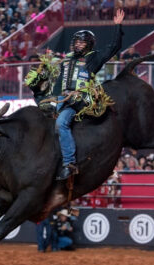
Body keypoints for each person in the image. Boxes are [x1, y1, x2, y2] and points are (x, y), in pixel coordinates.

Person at [55, 9, 125, 180]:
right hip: (61, 99)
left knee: (61, 124)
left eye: (81, 42)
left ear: (89, 44)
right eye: (76, 42)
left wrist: (118, 26)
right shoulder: (67, 58)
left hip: (80, 100)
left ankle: (69, 163)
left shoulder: (94, 58)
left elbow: (114, 47)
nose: (77, 45)